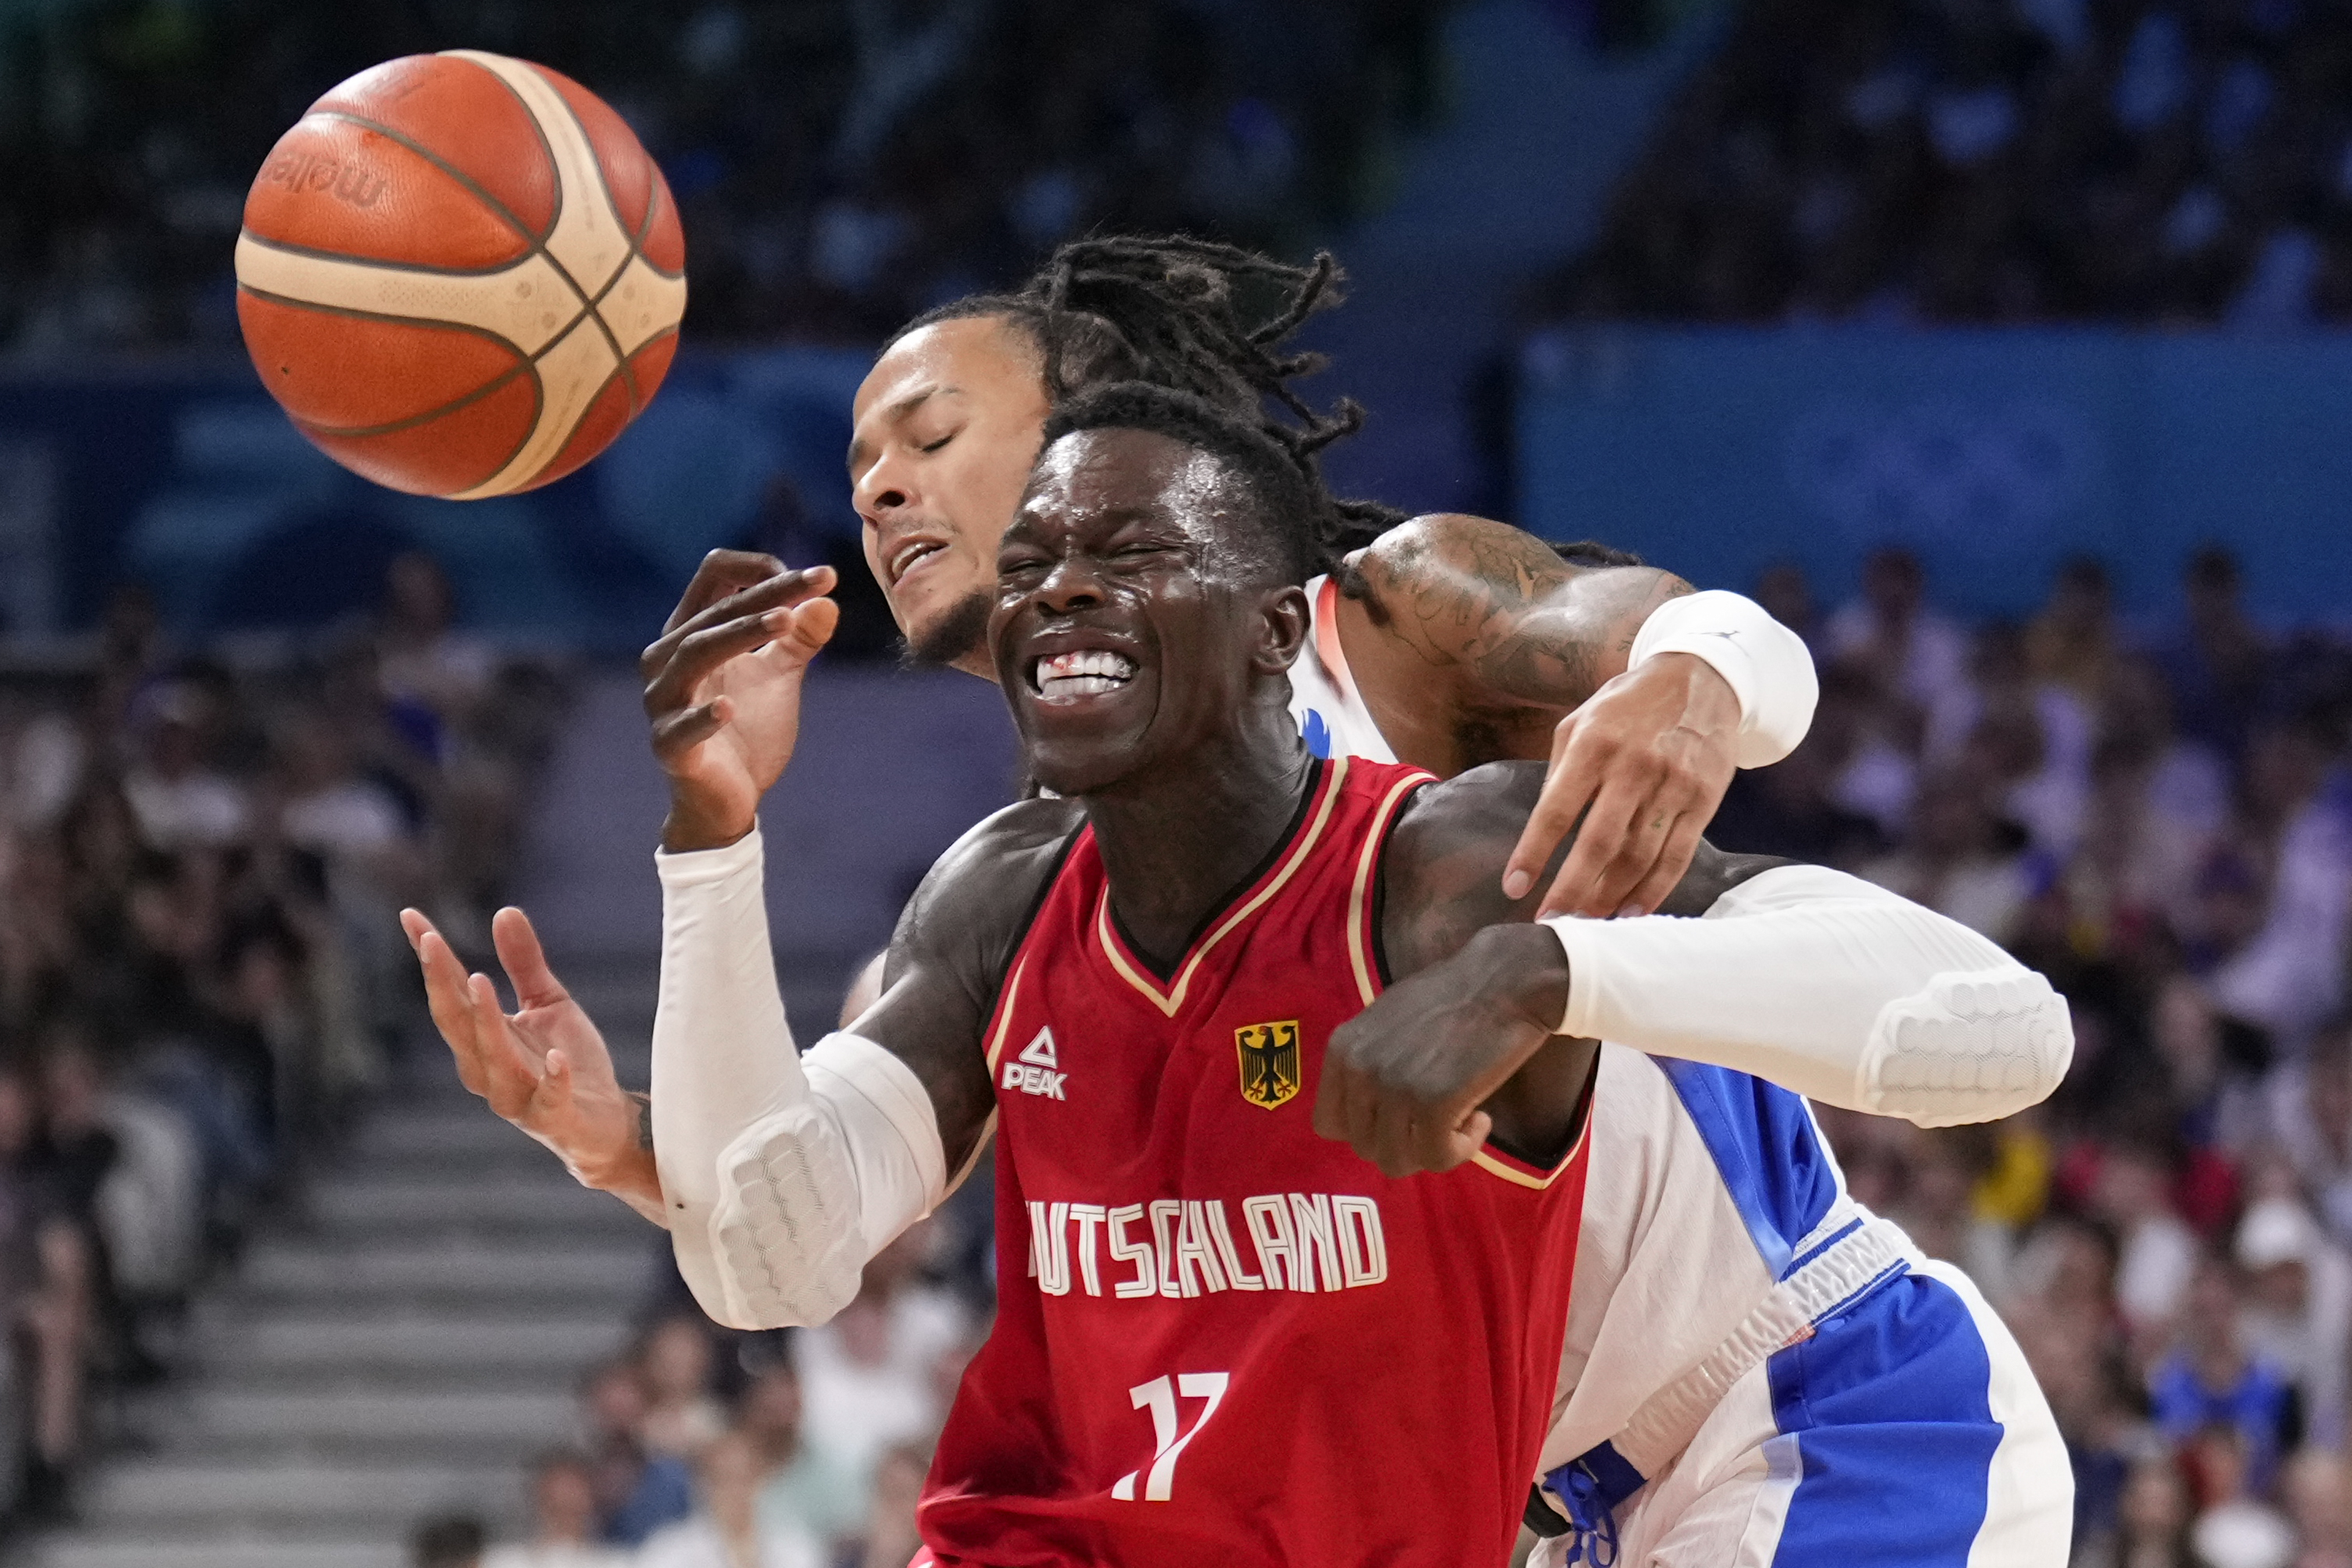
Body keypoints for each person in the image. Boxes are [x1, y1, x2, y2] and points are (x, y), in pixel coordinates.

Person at [409, 386, 2070, 1564]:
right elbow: (769, 1237)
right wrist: (708, 856)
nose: (886, 491)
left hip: (1819, 1411)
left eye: (932, 434)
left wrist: (1664, 747)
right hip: (1557, 1496)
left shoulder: (1404, 648)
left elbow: (1984, 1004)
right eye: (865, 463)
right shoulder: (1004, 895)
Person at [634, 1431, 823, 1568]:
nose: (736, 1491)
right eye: (724, 1479)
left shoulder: (795, 1547)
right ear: (703, 1486)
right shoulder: (669, 1550)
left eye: (745, 1479)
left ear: (762, 1481)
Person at [481, 1450, 626, 1568]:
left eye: (574, 1491)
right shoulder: (501, 1562)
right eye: (559, 1495)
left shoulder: (617, 1562)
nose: (567, 1501)